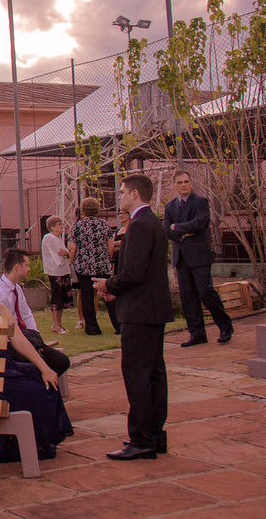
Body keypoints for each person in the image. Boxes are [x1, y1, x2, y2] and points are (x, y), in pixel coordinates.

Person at [0, 268, 73, 462]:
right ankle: (22, 444)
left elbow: (19, 341)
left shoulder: (0, 310)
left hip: (6, 365)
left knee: (46, 379)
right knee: (33, 391)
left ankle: (44, 439)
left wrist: (45, 368)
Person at [96, 174, 172, 460]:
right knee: (153, 373)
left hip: (140, 312)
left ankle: (141, 439)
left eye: (123, 192)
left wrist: (108, 285)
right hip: (151, 308)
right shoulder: (153, 222)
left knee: (138, 374)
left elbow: (134, 271)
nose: (119, 196)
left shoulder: (140, 225)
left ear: (136, 194)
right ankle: (154, 434)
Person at [165, 170, 233, 346]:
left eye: (186, 181)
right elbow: (166, 230)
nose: (184, 185)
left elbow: (198, 223)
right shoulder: (170, 206)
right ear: (174, 185)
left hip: (199, 256)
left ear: (190, 183)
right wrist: (183, 233)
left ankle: (225, 326)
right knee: (188, 296)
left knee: (206, 292)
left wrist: (176, 227)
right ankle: (197, 333)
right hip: (181, 257)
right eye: (180, 182)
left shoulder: (200, 202)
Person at [0, 248, 71, 376]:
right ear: (17, 267)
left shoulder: (17, 288)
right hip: (11, 343)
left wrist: (36, 338)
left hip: (27, 338)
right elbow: (5, 329)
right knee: (40, 366)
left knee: (61, 361)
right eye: (27, 265)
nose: (29, 269)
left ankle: (44, 385)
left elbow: (26, 314)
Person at [68, 197, 115, 335]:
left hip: (84, 266)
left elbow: (72, 248)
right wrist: (107, 258)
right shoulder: (104, 224)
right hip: (102, 264)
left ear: (82, 210)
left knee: (87, 296)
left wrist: (73, 262)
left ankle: (92, 328)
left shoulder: (77, 226)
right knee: (108, 294)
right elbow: (110, 245)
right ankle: (118, 324)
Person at [40, 216, 72, 334]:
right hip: (55, 271)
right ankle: (55, 324)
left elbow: (65, 252)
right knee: (57, 297)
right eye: (59, 224)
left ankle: (59, 323)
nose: (62, 227)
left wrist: (67, 254)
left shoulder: (58, 238)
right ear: (52, 226)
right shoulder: (49, 238)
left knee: (63, 297)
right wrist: (67, 254)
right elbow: (59, 254)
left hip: (64, 270)